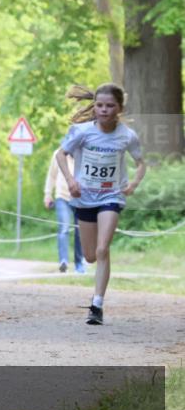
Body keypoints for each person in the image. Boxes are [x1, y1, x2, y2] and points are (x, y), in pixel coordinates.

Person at [56, 84, 146, 325]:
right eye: (99, 105)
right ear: (94, 106)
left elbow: (141, 164)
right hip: (85, 197)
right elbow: (60, 155)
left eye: (109, 106)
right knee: (90, 256)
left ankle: (97, 305)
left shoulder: (127, 135)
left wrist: (133, 184)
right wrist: (70, 180)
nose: (104, 110)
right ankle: (96, 293)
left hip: (111, 197)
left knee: (102, 249)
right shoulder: (81, 131)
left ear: (119, 108)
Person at [44, 148, 86, 274]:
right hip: (62, 196)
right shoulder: (58, 154)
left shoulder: (85, 153)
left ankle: (79, 264)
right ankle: (63, 261)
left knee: (81, 231)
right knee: (64, 228)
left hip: (80, 198)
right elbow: (51, 175)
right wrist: (47, 194)